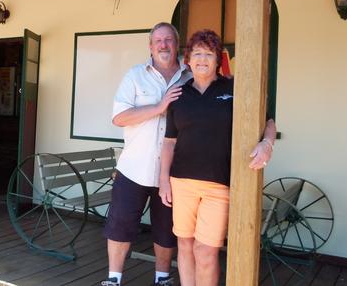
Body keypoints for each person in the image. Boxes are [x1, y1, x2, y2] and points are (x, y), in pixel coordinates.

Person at [158, 29, 277, 286]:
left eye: (209, 54)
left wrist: (267, 143)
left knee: (206, 250)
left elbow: (268, 121)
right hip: (181, 182)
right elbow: (169, 142)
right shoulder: (178, 95)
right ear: (188, 59)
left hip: (218, 185)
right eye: (197, 53)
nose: (202, 59)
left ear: (217, 58)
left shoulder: (234, 88)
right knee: (186, 245)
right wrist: (164, 180)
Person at [101, 22, 191, 286]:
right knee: (120, 225)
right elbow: (119, 117)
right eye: (158, 41)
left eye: (169, 40)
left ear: (177, 44)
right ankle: (114, 279)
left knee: (166, 230)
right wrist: (159, 106)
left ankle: (162, 279)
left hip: (174, 172)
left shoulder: (190, 75)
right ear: (150, 47)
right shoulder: (135, 75)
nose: (163, 45)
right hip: (134, 168)